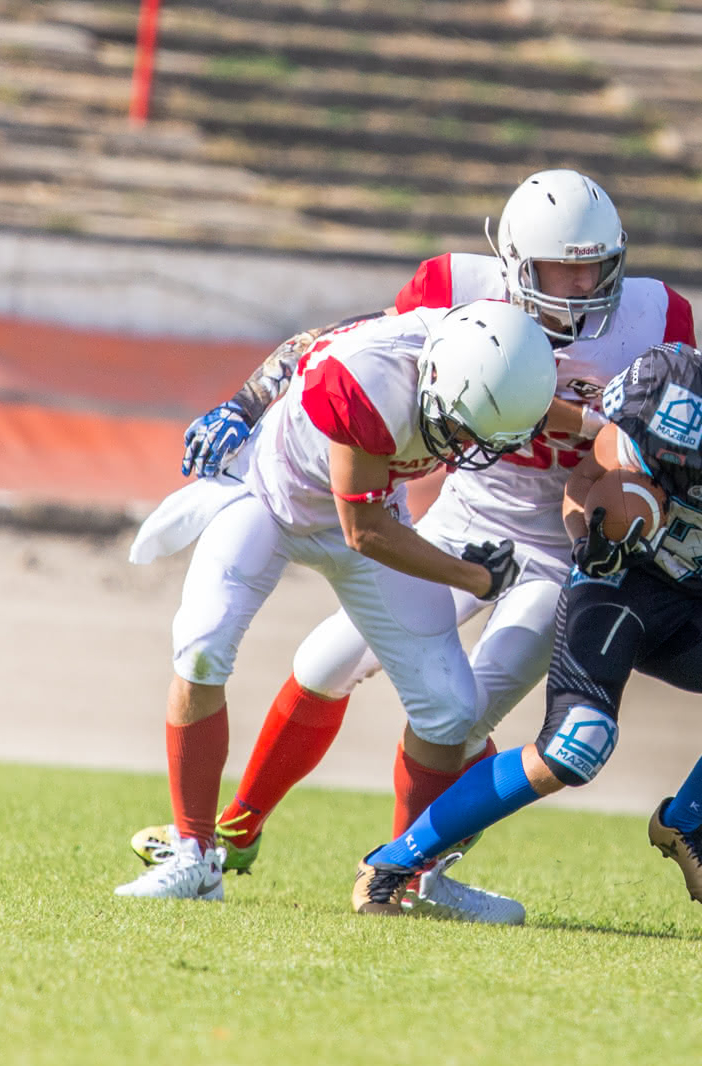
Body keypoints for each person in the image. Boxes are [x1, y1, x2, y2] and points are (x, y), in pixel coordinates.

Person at [127, 170, 697, 922]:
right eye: (563, 265)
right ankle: (233, 832)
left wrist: (616, 484)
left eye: (596, 264)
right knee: (325, 661)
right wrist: (246, 402)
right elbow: (332, 348)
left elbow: (661, 442)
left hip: (562, 546)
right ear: (518, 260)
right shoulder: (452, 288)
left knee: (464, 713)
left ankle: (408, 874)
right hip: (465, 512)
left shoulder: (657, 318)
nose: (583, 283)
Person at [348, 301, 702, 917]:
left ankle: (682, 822)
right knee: (576, 747)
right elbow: (585, 486)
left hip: (699, 609)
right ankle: (393, 861)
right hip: (616, 588)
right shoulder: (680, 399)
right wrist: (595, 541)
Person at [115, 300, 557, 902]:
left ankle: (405, 877)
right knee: (201, 644)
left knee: (450, 708)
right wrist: (474, 578)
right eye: (457, 428)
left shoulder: (462, 352)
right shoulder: (367, 375)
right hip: (269, 496)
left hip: (366, 511)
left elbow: (367, 513)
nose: (462, 447)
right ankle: (195, 857)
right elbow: (364, 532)